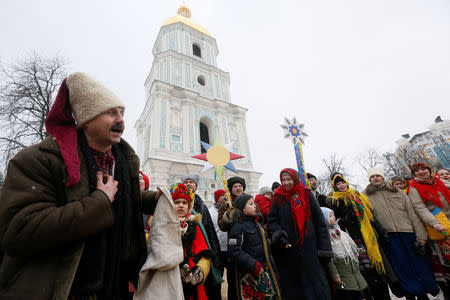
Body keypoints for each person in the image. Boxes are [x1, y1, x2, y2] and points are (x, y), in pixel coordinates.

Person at [0, 72, 161, 300]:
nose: (121, 120)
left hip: (113, 286)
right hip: (59, 290)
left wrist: (154, 199)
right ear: (87, 119)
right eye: (111, 112)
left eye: (122, 113)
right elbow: (19, 231)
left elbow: (122, 199)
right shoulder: (38, 160)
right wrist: (99, 203)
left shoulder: (123, 162)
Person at [366, 167, 439, 300]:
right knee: (401, 268)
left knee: (419, 266)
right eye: (372, 176)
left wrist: (421, 237)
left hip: (408, 233)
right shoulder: (365, 196)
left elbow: (413, 214)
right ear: (370, 179)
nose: (376, 178)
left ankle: (423, 294)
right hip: (389, 237)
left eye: (378, 175)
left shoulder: (398, 192)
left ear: (383, 177)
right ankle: (409, 294)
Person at [267, 168, 332, 299]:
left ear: (295, 179)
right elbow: (272, 220)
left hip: (310, 248)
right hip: (289, 249)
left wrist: (324, 247)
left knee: (314, 281)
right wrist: (279, 234)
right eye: (283, 180)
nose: (286, 183)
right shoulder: (278, 198)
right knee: (295, 285)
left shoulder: (307, 194)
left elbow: (319, 222)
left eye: (288, 179)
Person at [325, 174, 391, 300]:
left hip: (369, 238)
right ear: (335, 187)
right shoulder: (334, 201)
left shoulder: (358, 196)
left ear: (346, 183)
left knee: (378, 270)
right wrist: (347, 219)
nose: (341, 185)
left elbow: (370, 216)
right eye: (338, 184)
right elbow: (335, 221)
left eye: (342, 182)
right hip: (354, 239)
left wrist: (381, 230)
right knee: (366, 270)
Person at [407, 163, 450, 298]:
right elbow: (419, 207)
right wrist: (434, 223)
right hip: (437, 225)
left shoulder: (438, 181)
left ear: (429, 170)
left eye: (423, 169)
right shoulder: (413, 187)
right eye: (417, 171)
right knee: (446, 261)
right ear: (414, 174)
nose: (421, 172)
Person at [228, 194, 281, 299]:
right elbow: (234, 251)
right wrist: (254, 265)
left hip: (265, 270)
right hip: (252, 273)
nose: (255, 206)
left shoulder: (256, 222)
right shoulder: (238, 225)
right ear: (243, 208)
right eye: (251, 204)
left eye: (254, 203)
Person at [182, 174, 221, 299]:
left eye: (191, 182)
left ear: (196, 186)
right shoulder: (178, 203)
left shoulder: (202, 206)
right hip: (185, 253)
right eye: (186, 182)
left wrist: (215, 254)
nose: (188, 184)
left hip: (202, 252)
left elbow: (210, 231)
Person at [171, 183, 212, 300]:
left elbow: (205, 254)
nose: (181, 206)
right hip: (168, 276)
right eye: (177, 202)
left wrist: (200, 271)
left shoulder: (194, 226)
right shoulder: (163, 225)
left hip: (190, 277)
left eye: (184, 203)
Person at [321, 207, 367, 300]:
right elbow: (329, 260)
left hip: (355, 273)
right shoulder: (326, 238)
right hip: (342, 276)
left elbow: (353, 249)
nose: (333, 217)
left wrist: (358, 263)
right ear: (324, 219)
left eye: (333, 214)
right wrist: (335, 275)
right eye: (330, 216)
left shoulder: (341, 233)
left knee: (361, 294)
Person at [217, 176, 247, 300]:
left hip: (250, 246)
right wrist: (229, 214)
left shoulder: (250, 201)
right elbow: (222, 226)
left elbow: (259, 218)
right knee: (234, 281)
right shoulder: (226, 205)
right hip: (234, 248)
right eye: (235, 186)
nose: (238, 188)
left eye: (240, 186)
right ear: (231, 189)